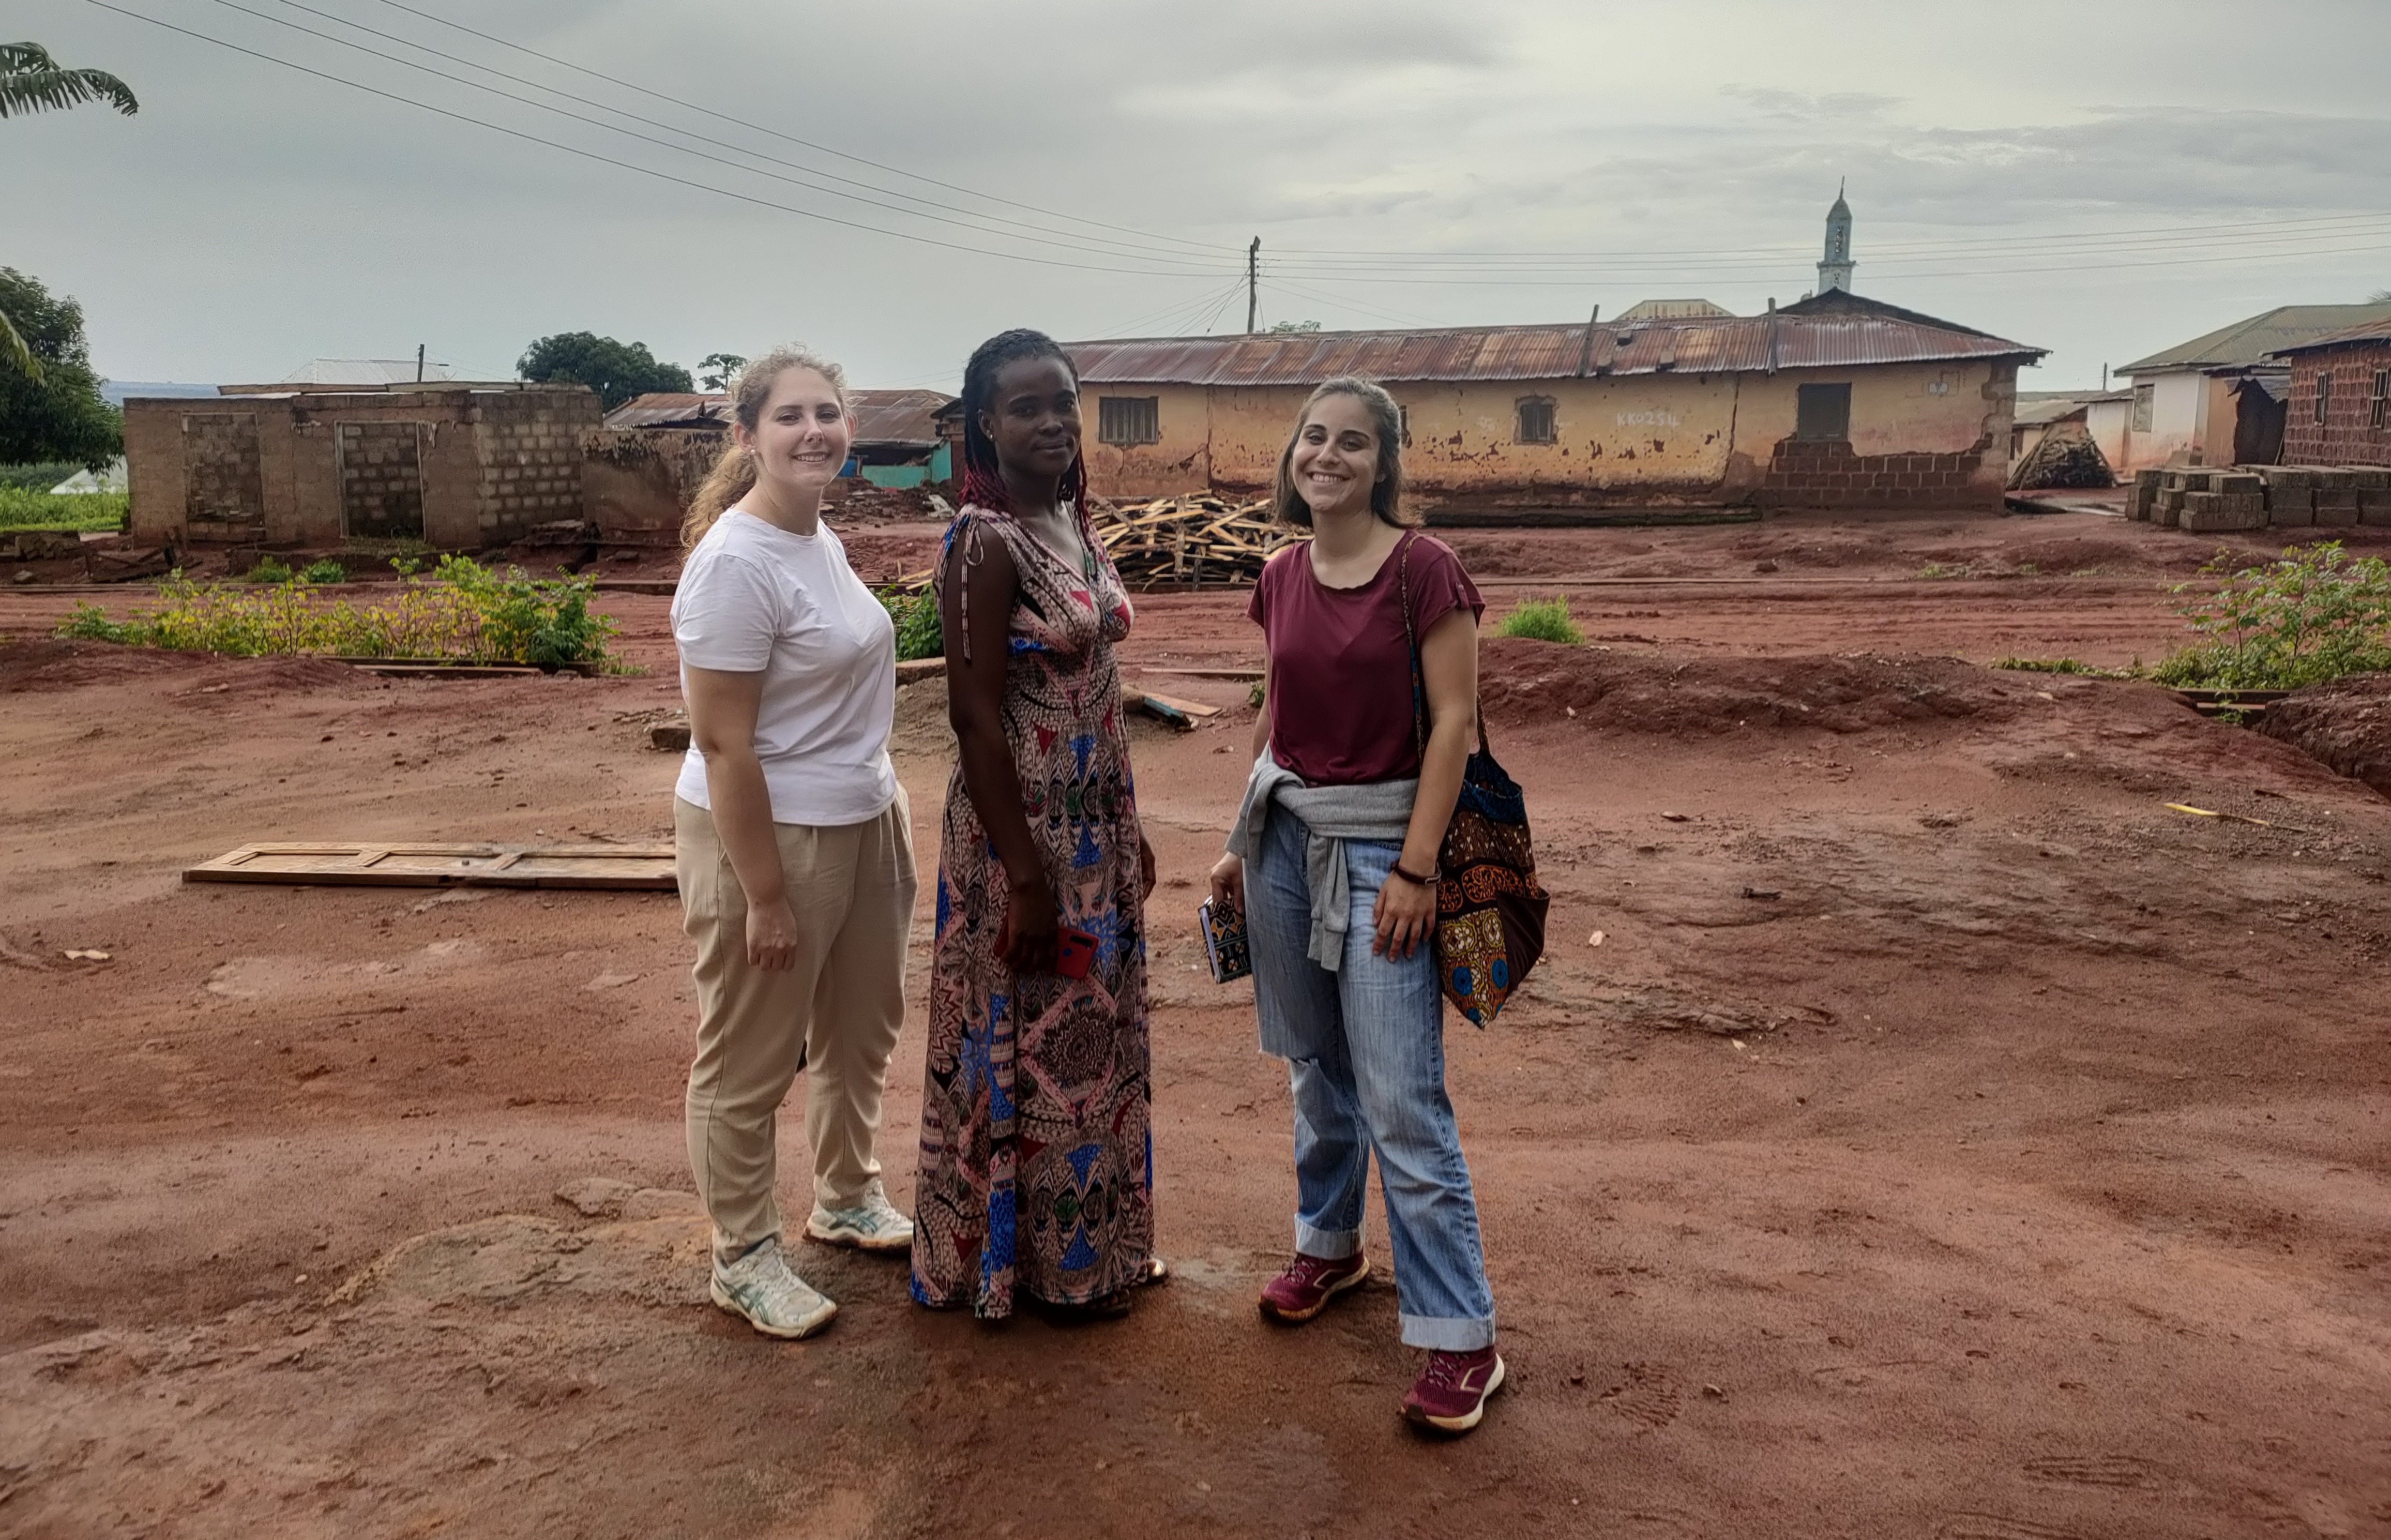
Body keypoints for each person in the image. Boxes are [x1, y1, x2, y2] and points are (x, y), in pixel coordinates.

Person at [1208, 377, 1503, 1433]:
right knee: (1315, 1070)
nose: (1324, 455)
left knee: (1400, 1099)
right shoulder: (1281, 571)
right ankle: (1328, 1246)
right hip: (1284, 840)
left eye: (1351, 443)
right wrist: (1237, 846)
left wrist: (1416, 869)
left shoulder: (1425, 571)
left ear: (1384, 463)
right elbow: (1272, 715)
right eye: (1312, 438)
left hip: (1385, 849)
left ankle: (1459, 1333)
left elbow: (1454, 721)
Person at [911, 328, 1161, 1321]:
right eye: (1027, 406)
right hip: (1020, 835)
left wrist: (1126, 825)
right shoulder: (984, 542)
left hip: (1097, 817)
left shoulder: (1071, 521)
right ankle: (1027, 1266)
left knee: (1094, 1033)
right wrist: (1023, 874)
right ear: (985, 423)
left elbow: (1093, 684)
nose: (1053, 421)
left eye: (1064, 402)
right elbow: (972, 715)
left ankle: (1094, 1252)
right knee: (1032, 1032)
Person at [671, 346, 918, 1340]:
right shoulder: (733, 562)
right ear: (747, 436)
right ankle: (743, 1254)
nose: (814, 430)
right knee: (749, 1052)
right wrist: (764, 894)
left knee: (862, 1026)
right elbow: (724, 743)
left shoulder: (818, 539)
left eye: (828, 413)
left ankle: (847, 1192)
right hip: (770, 834)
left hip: (863, 814)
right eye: (789, 417)